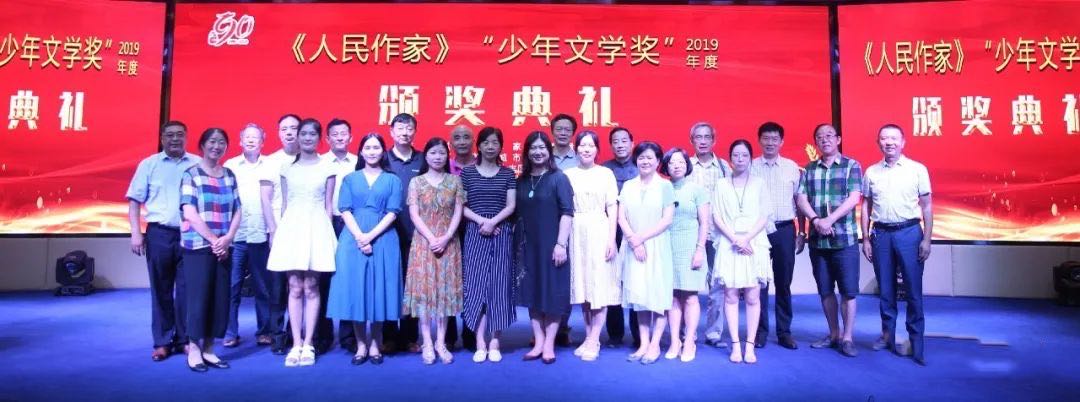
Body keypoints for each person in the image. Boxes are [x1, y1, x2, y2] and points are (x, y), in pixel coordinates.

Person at [265, 118, 338, 367]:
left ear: (319, 138)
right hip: (292, 228)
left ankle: (309, 343)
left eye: (312, 134)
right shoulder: (287, 168)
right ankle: (295, 343)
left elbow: (328, 207)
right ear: (297, 137)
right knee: (294, 286)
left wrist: (327, 238)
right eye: (303, 133)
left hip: (317, 227)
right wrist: (278, 234)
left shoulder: (328, 167)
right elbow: (285, 205)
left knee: (312, 286)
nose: (307, 138)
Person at [327, 133, 403, 366]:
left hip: (384, 238)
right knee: (357, 290)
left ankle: (375, 343)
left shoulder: (392, 180)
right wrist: (360, 236)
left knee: (379, 291)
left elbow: (393, 212)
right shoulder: (350, 179)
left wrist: (370, 236)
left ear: (383, 151)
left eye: (376, 147)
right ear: (361, 151)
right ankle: (361, 344)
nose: (372, 151)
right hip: (352, 239)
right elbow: (345, 209)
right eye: (368, 147)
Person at [127, 121, 200, 362]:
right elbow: (135, 201)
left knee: (187, 289)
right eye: (170, 135)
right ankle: (162, 342)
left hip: (190, 235)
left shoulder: (197, 164)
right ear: (162, 138)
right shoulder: (149, 164)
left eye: (180, 135)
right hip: (159, 234)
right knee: (161, 289)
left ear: (186, 138)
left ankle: (185, 339)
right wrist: (136, 233)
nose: (175, 139)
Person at [860, 124, 932, 366]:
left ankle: (917, 341)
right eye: (884, 138)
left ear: (903, 142)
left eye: (893, 138)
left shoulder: (917, 169)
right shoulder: (871, 172)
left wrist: (927, 239)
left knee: (913, 290)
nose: (889, 142)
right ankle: (887, 335)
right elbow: (866, 206)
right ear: (878, 142)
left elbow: (927, 206)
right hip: (881, 234)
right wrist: (866, 238)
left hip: (909, 232)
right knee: (886, 289)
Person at [796, 123, 864, 358]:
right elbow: (801, 199)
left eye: (829, 135)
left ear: (838, 139)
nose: (824, 140)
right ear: (815, 142)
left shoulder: (851, 166)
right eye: (819, 137)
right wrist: (816, 221)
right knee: (825, 290)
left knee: (848, 291)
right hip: (818, 241)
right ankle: (834, 333)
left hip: (844, 239)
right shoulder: (809, 169)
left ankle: (848, 338)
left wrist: (829, 220)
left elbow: (854, 198)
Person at [179, 128, 241, 372]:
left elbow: (238, 209)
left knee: (219, 298)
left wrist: (228, 238)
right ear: (202, 145)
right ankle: (194, 349)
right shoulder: (191, 174)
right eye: (212, 142)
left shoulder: (229, 175)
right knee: (198, 298)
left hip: (224, 246)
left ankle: (209, 349)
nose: (217, 146)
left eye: (222, 142)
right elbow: (189, 212)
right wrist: (215, 240)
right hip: (198, 246)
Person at [403, 138, 466, 365]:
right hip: (423, 243)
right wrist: (431, 238)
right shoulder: (416, 182)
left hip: (448, 242)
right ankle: (427, 343)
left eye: (441, 153)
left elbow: (458, 211)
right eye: (433, 153)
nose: (437, 157)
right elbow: (414, 214)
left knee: (444, 293)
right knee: (424, 293)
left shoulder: (455, 181)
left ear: (447, 156)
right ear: (426, 156)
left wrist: (446, 237)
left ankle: (441, 342)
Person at [515, 130, 574, 364]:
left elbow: (567, 213)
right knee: (532, 293)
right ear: (527, 152)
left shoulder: (559, 178)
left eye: (542, 148)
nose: (537, 152)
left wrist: (561, 244)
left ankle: (549, 343)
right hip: (528, 246)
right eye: (533, 148)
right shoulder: (521, 180)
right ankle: (538, 341)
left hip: (552, 245)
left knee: (552, 293)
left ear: (548, 151)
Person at [712, 140, 773, 364]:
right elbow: (716, 216)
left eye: (744, 155)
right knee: (730, 295)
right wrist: (735, 239)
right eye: (736, 155)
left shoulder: (759, 183)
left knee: (753, 296)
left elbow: (764, 215)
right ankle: (735, 345)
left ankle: (750, 346)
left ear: (750, 158)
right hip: (729, 243)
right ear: (730, 159)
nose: (740, 159)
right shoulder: (721, 184)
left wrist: (746, 238)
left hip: (754, 243)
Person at [460, 127, 517, 363]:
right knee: (475, 288)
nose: (491, 146)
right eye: (486, 142)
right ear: (479, 146)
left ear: (500, 146)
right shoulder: (467, 173)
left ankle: (494, 342)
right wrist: (482, 221)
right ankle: (480, 343)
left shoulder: (508, 174)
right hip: (475, 234)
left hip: (501, 234)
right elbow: (461, 206)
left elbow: (511, 205)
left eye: (495, 142)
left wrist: (493, 222)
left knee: (498, 288)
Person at [564, 130, 619, 362]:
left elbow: (612, 207)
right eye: (582, 145)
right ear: (576, 148)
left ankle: (595, 339)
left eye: (591, 145)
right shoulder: (567, 174)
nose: (586, 149)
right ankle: (588, 337)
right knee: (584, 288)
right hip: (576, 231)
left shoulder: (606, 173)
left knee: (599, 287)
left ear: (597, 149)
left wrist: (611, 239)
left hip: (599, 229)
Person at [619, 141, 675, 365]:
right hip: (634, 247)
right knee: (640, 297)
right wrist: (633, 240)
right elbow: (621, 217)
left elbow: (667, 220)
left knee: (658, 297)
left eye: (650, 157)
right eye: (641, 157)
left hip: (656, 246)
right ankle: (643, 343)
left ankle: (655, 345)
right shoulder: (628, 186)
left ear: (658, 161)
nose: (645, 161)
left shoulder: (665, 186)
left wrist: (641, 238)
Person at [751, 122, 806, 350]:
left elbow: (799, 201)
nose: (770, 143)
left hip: (784, 230)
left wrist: (802, 231)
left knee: (784, 283)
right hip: (758, 232)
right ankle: (760, 332)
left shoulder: (792, 168)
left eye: (775, 139)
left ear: (782, 142)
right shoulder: (751, 167)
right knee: (759, 283)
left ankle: (784, 332)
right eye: (766, 138)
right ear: (759, 140)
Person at [221, 124, 273, 349]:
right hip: (236, 236)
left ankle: (265, 331)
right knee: (232, 287)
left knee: (263, 286)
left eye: (256, 137)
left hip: (261, 233)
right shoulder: (230, 166)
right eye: (247, 137)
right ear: (240, 141)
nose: (251, 140)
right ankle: (230, 332)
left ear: (262, 141)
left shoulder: (271, 165)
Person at [686, 122, 734, 350]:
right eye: (698, 137)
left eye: (707, 137)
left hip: (717, 234)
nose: (703, 141)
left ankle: (714, 332)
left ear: (714, 140)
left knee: (717, 286)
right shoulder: (685, 165)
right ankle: (688, 332)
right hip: (690, 235)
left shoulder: (724, 168)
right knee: (688, 286)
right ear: (691, 140)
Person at [662, 147, 710, 362]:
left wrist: (700, 249)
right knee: (672, 297)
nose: (677, 166)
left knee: (690, 297)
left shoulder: (697, 190)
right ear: (666, 166)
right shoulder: (662, 189)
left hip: (691, 247)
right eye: (672, 162)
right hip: (667, 247)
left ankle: (689, 340)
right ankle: (675, 341)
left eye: (681, 162)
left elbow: (704, 223)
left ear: (687, 165)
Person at [259, 114, 301, 355]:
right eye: (284, 128)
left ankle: (298, 334)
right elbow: (265, 198)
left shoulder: (310, 159)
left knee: (302, 285)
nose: (289, 132)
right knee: (277, 287)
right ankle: (277, 335)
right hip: (279, 230)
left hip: (303, 230)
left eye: (294, 128)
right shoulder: (271, 162)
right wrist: (273, 230)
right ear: (278, 133)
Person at [384, 113, 423, 354]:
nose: (405, 133)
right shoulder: (382, 158)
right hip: (386, 233)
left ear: (415, 132)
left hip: (415, 233)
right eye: (400, 128)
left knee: (412, 287)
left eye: (409, 128)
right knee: (389, 284)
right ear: (391, 131)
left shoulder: (423, 159)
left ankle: (410, 336)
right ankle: (388, 336)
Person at [320, 118, 358, 354]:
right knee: (323, 278)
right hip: (327, 220)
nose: (340, 137)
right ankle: (323, 335)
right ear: (327, 138)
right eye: (335, 134)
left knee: (349, 279)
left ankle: (348, 335)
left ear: (351, 137)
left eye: (344, 133)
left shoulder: (358, 162)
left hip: (352, 223)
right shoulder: (320, 162)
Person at [601, 127, 640, 349]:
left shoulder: (641, 165)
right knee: (612, 280)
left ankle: (639, 333)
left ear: (632, 143)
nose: (620, 145)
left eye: (624, 140)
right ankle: (615, 333)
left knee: (635, 280)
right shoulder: (604, 169)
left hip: (636, 231)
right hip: (610, 231)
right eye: (615, 141)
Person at [446, 124, 475, 350]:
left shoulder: (483, 164)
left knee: (472, 282)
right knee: (448, 281)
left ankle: (471, 332)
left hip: (476, 230)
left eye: (466, 137)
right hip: (447, 232)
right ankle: (448, 335)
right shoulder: (443, 165)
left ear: (474, 141)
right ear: (451, 143)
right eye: (457, 138)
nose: (462, 141)